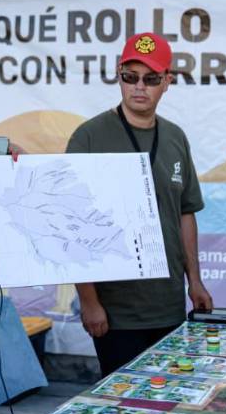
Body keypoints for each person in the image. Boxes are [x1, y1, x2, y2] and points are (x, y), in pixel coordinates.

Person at [66, 32, 212, 376]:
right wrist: (89, 301)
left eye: (150, 79)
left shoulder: (175, 137)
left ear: (167, 82)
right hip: (115, 312)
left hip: (169, 305)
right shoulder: (88, 137)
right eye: (129, 77)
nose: (139, 87)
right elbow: (70, 222)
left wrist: (196, 282)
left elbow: (185, 213)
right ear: (119, 76)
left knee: (166, 402)